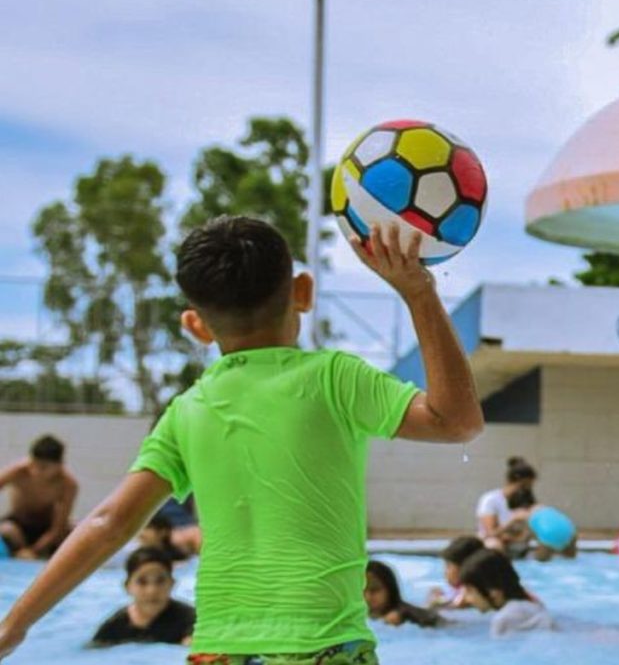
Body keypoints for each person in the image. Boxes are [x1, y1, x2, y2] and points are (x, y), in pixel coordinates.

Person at [0, 217, 484, 664]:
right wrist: (420, 294)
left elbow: (108, 522)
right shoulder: (335, 378)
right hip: (323, 643)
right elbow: (456, 421)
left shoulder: (186, 410)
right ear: (303, 292)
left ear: (195, 326)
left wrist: (14, 627)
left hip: (218, 650)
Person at [90, 546, 195, 647]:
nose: (152, 590)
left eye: (160, 581)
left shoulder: (192, 620)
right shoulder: (114, 627)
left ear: (172, 583)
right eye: (142, 582)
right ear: (127, 587)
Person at [0, 435, 78, 560]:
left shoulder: (67, 485)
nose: (35, 471)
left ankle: (38, 553)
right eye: (33, 464)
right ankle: (20, 551)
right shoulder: (18, 471)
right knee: (6, 529)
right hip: (18, 525)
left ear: (59, 466)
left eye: (43, 467)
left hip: (46, 527)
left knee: (75, 529)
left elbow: (58, 527)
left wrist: (35, 550)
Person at [459, 548, 554, 636]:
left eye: (469, 591)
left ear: (493, 592)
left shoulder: (503, 619)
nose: (466, 598)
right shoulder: (534, 605)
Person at [476, 457, 537, 554]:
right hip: (491, 540)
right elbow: (490, 533)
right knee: (494, 546)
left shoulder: (525, 501)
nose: (528, 490)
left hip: (513, 542)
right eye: (525, 486)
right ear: (513, 482)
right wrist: (513, 521)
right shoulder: (490, 499)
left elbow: (525, 533)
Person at [364, 560, 442, 628]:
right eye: (362, 590)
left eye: (374, 590)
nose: (368, 596)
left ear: (390, 590)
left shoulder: (399, 616)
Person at [427, 535, 484, 608]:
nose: (445, 572)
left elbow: (456, 606)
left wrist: (435, 604)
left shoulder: (469, 592)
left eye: (448, 566)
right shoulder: (459, 588)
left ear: (464, 568)